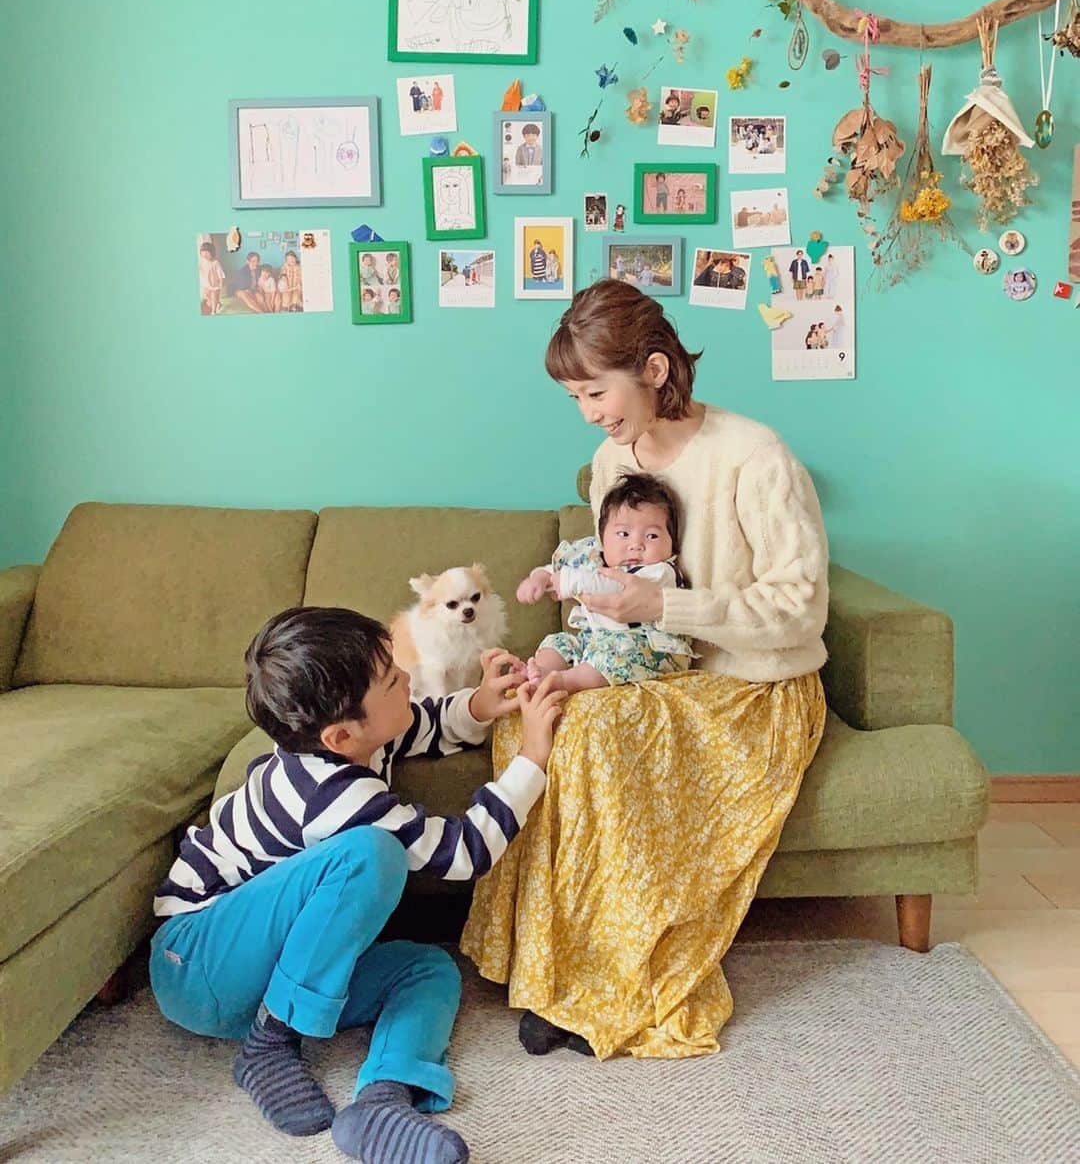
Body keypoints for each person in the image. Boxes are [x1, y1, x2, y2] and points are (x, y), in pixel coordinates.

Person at [461, 279, 828, 1062]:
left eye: (597, 390)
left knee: (591, 739)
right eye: (575, 397)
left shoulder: (754, 456)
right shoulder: (609, 460)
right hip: (656, 675)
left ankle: (603, 980)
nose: (591, 412)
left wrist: (662, 610)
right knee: (548, 709)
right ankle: (551, 965)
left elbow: (800, 609)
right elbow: (604, 589)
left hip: (752, 688)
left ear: (655, 369)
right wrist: (573, 647)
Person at [151, 607, 566, 1160]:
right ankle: (270, 1044)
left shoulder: (351, 742)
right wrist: (532, 755)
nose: (408, 680)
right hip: (198, 961)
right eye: (393, 680)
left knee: (429, 969)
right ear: (341, 733)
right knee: (371, 853)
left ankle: (383, 1101)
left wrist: (481, 704)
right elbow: (464, 853)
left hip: (259, 978)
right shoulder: (331, 793)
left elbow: (421, 722)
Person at [516, 471, 693, 693]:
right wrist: (539, 578)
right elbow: (556, 569)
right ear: (602, 538)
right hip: (594, 638)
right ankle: (538, 673)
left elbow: (615, 586)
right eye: (623, 534)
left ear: (672, 544)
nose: (636, 544)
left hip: (647, 646)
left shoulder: (661, 572)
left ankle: (563, 682)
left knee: (617, 654)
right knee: (560, 642)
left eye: (652, 536)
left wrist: (571, 581)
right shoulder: (591, 556)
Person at [198, 241, 225, 316]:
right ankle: (218, 303)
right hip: (206, 285)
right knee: (207, 297)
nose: (205, 254)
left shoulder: (215, 263)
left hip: (214, 284)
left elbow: (221, 274)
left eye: (207, 252)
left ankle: (213, 311)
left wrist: (221, 284)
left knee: (214, 297)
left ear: (212, 253)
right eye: (203, 252)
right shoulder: (201, 263)